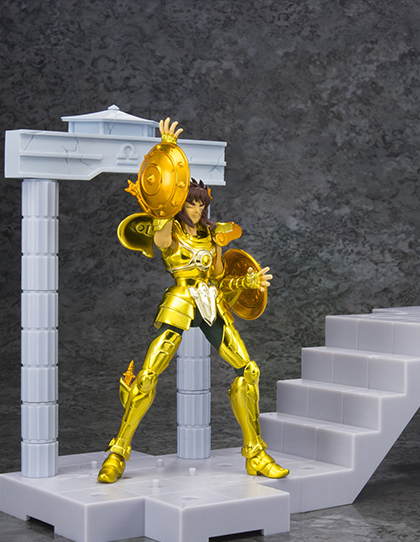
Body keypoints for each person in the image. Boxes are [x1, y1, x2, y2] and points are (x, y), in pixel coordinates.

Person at [98, 119, 289, 483]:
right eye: (191, 203)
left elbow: (218, 277)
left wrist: (248, 281)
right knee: (149, 374)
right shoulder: (168, 229)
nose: (198, 209)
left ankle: (255, 454)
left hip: (210, 302)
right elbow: (161, 230)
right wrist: (167, 151)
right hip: (181, 299)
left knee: (249, 370)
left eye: (202, 204)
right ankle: (118, 452)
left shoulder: (211, 237)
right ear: (181, 202)